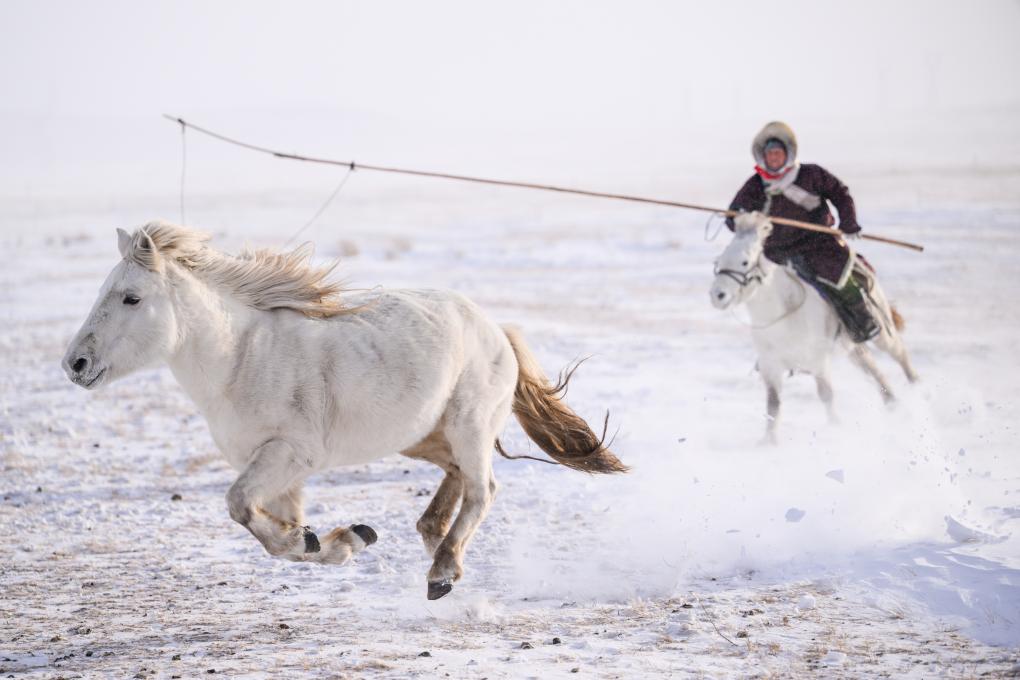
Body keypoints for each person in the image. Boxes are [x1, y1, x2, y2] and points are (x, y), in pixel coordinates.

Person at [725, 121, 879, 342]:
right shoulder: (756, 185)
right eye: (770, 154)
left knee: (836, 276)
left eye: (779, 153)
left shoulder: (811, 174)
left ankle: (863, 320)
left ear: (788, 154)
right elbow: (734, 216)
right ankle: (774, 346)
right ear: (763, 157)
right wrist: (742, 219)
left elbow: (840, 194)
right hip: (776, 252)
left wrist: (849, 222)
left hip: (818, 245)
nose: (774, 158)